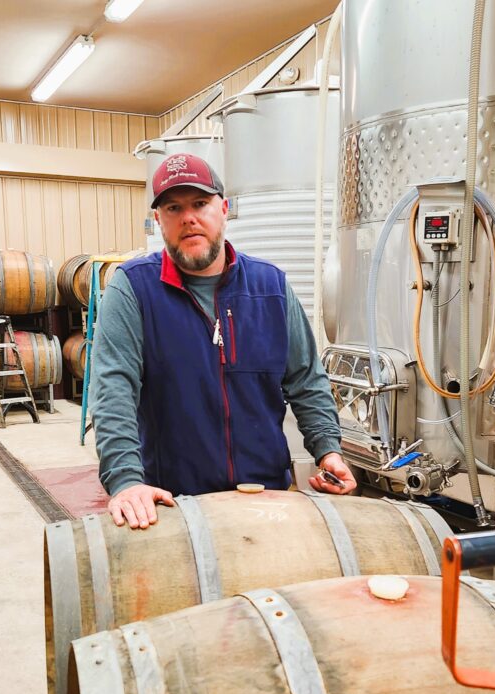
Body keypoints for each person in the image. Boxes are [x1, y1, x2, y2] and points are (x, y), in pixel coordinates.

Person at [89, 152, 356, 529]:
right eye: (173, 207)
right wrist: (126, 480)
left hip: (267, 500)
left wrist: (328, 450)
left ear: (224, 208)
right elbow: (113, 389)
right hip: (172, 508)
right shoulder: (133, 289)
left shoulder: (271, 288)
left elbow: (306, 380)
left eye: (200, 203)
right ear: (158, 220)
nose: (189, 218)